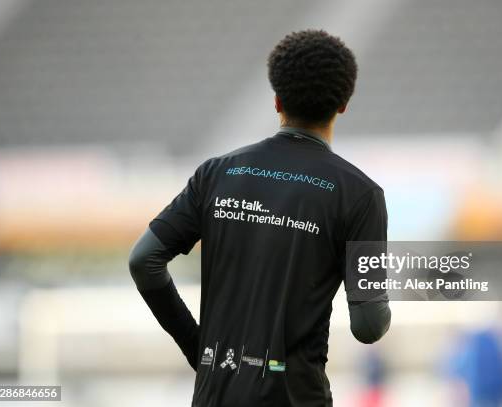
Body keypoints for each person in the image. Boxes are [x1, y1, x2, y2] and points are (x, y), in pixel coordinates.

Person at [129, 29, 391, 407]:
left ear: (277, 100)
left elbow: (143, 260)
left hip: (213, 395)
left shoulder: (217, 173)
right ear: (343, 104)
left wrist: (197, 348)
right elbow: (368, 326)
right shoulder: (360, 195)